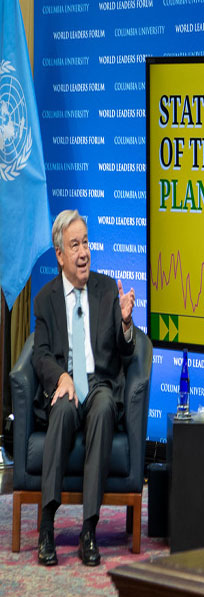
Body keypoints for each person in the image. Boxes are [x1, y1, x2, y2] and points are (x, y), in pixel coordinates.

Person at [32, 210, 136, 567]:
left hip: (98, 382)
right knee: (60, 409)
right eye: (74, 245)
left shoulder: (107, 289)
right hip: (65, 381)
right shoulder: (45, 298)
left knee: (105, 406)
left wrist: (125, 323)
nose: (83, 252)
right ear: (60, 254)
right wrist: (60, 377)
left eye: (86, 243)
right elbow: (41, 352)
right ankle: (46, 524)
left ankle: (88, 529)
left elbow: (125, 352)